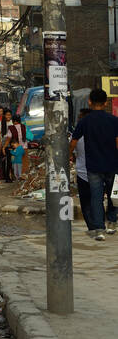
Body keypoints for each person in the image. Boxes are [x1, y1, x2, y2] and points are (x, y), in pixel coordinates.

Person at [70, 88, 118, 240]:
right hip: (112, 164)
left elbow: (73, 142)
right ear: (105, 103)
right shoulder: (114, 120)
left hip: (93, 166)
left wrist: (69, 154)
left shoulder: (85, 121)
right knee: (113, 196)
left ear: (89, 101)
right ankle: (112, 222)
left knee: (96, 198)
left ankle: (99, 230)